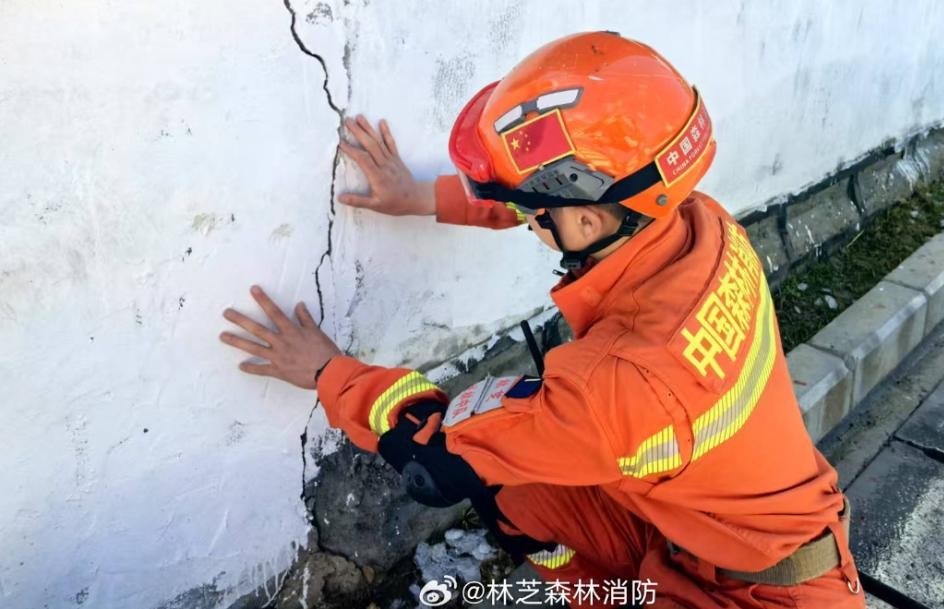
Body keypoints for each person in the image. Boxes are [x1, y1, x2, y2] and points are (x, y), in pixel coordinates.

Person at [220, 32, 865, 609]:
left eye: (533, 212)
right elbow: (567, 203)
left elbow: (441, 450)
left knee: (490, 470)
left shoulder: (614, 387)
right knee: (524, 493)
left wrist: (328, 371)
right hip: (725, 539)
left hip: (757, 598)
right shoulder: (700, 222)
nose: (528, 220)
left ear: (585, 219)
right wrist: (420, 197)